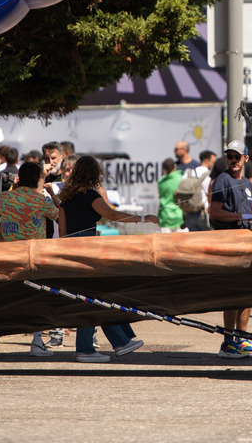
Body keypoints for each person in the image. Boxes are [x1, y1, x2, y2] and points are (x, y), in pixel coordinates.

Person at [53, 155, 158, 363]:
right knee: (93, 297)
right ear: (92, 174)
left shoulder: (66, 198)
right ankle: (87, 348)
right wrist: (144, 219)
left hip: (71, 247)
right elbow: (112, 215)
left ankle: (121, 342)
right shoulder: (90, 194)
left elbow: (63, 231)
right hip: (87, 247)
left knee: (93, 296)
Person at [0, 161, 59, 357]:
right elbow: (56, 215)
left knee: (8, 296)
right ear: (38, 179)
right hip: (31, 255)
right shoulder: (41, 200)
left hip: (5, 253)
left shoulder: (6, 196)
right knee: (36, 297)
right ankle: (37, 342)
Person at [209, 140, 252, 359]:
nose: (232, 160)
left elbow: (248, 213)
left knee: (246, 294)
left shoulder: (248, 184)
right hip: (227, 240)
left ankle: (241, 339)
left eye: (237, 156)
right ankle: (228, 342)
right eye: (229, 156)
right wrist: (242, 217)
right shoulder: (222, 180)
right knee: (232, 294)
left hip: (244, 240)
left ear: (245, 159)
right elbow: (215, 212)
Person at [157, 157, 184, 232]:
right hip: (178, 215)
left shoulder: (160, 182)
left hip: (164, 215)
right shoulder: (181, 179)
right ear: (175, 166)